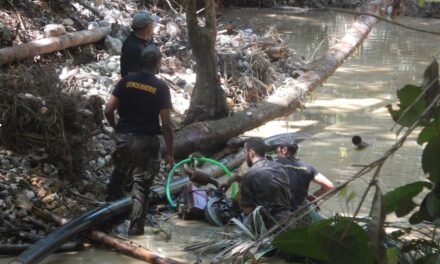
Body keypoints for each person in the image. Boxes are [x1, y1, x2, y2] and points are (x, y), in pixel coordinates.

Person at [104, 45, 174, 235]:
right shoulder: (160, 87)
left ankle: (109, 225)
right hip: (147, 142)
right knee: (141, 187)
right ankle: (136, 230)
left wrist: (117, 127)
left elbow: (108, 109)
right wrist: (169, 151)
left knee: (117, 181)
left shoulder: (126, 81)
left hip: (124, 139)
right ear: (158, 63)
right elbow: (166, 123)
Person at [221, 137, 291, 228]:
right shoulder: (280, 168)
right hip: (288, 218)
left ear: (251, 153)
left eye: (245, 153)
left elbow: (247, 210)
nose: (245, 157)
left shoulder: (249, 175)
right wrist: (229, 182)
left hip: (267, 226)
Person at [274, 137, 334, 211]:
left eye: (275, 150)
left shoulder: (273, 165)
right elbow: (329, 186)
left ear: (284, 150)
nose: (275, 153)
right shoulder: (308, 167)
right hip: (300, 211)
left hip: (279, 212)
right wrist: (313, 197)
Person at [120, 11, 156, 77]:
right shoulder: (134, 48)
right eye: (152, 24)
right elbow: (130, 75)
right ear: (147, 28)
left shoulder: (138, 38)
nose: (153, 26)